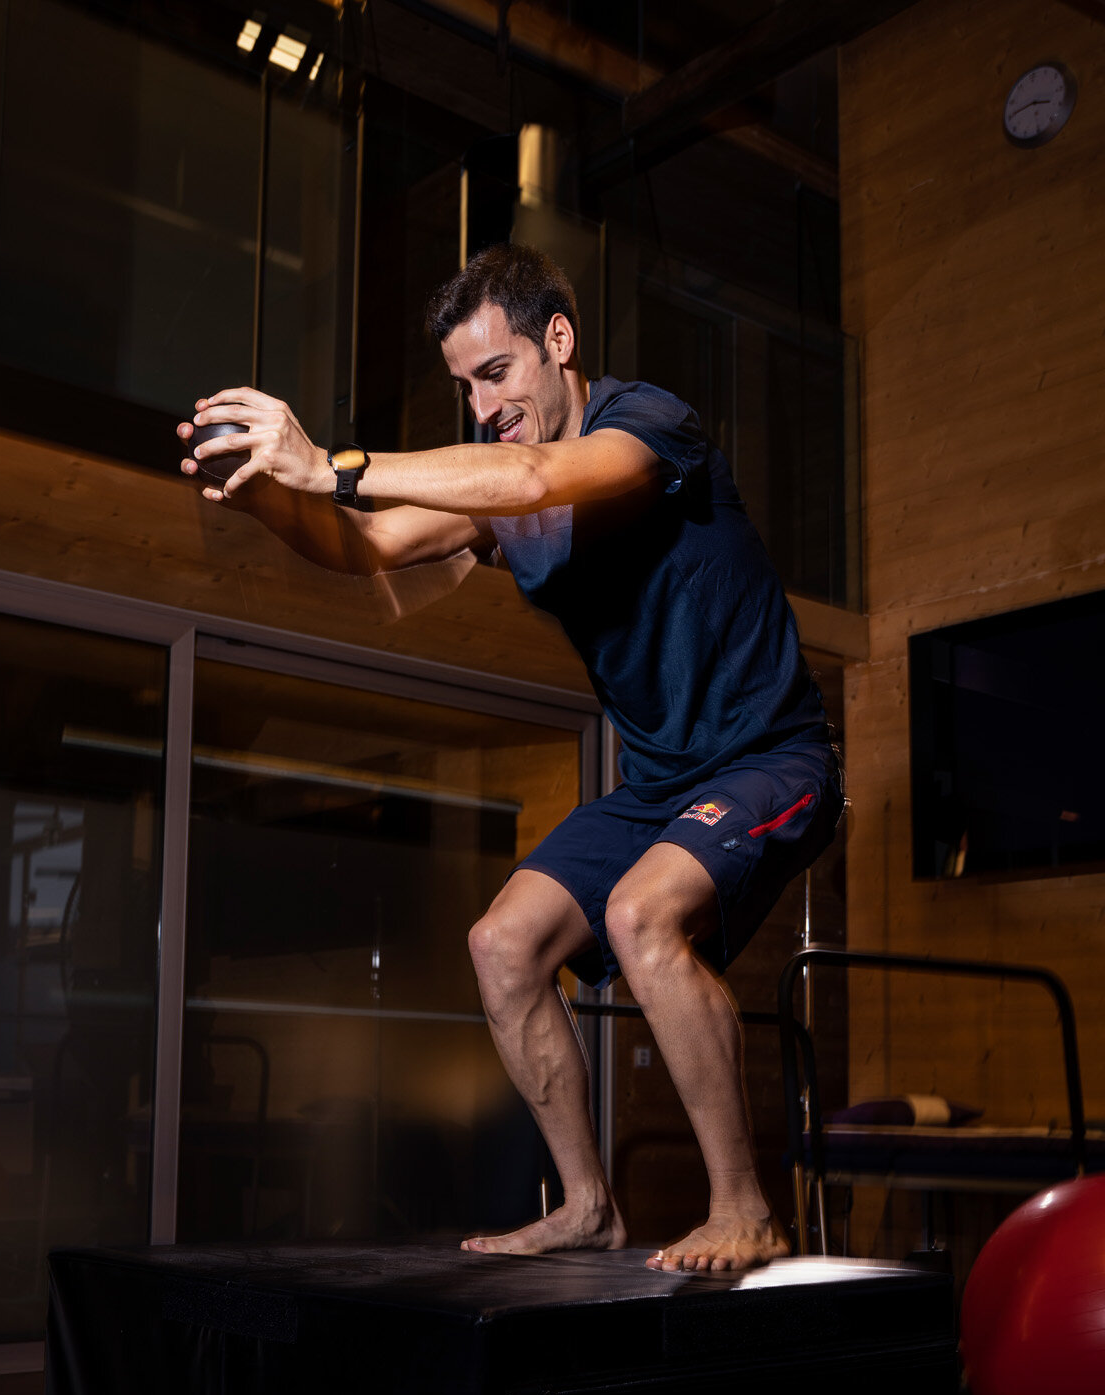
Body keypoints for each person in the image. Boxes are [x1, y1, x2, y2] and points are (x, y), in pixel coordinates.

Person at [178, 243, 843, 1273]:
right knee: (504, 945)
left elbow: (534, 472)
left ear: (559, 343)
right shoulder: (502, 497)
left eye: (496, 374)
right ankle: (586, 1206)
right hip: (659, 783)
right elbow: (366, 549)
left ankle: (744, 1205)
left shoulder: (648, 425)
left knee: (640, 914)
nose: (482, 405)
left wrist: (333, 464)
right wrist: (265, 486)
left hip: (771, 757)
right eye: (464, 388)